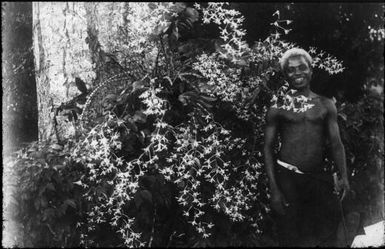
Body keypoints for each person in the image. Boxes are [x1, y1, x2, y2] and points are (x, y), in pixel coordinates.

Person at [263, 48, 350, 247]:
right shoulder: (278, 106)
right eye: (291, 70)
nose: (297, 73)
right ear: (285, 75)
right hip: (287, 179)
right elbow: (267, 148)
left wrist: (344, 177)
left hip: (317, 178)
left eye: (302, 67)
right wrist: (274, 188)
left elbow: (336, 144)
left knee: (321, 234)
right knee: (291, 236)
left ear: (311, 71)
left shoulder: (326, 105)